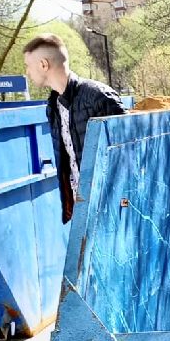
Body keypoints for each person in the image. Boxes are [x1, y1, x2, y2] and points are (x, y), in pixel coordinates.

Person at [23, 34, 125, 224]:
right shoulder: (53, 106)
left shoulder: (99, 97)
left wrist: (122, 208)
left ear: (43, 65)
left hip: (111, 208)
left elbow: (127, 157)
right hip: (82, 207)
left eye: (28, 66)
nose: (27, 72)